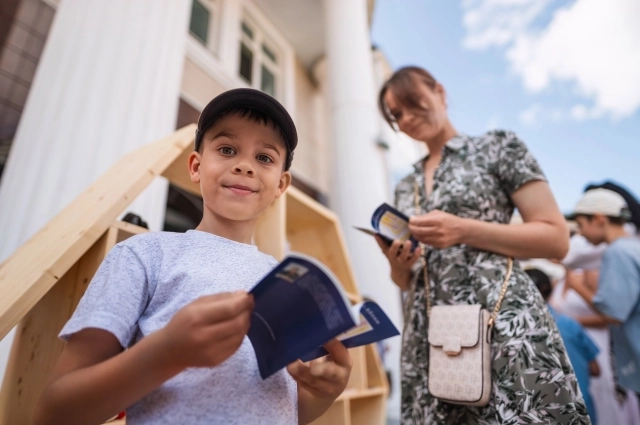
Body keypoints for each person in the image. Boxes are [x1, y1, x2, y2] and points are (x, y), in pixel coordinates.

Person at [34, 89, 352, 425]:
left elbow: (284, 410)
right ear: (196, 166)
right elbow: (54, 412)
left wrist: (320, 396)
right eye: (227, 150)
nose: (245, 166)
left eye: (265, 158)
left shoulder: (288, 281)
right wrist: (165, 354)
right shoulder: (143, 256)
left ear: (281, 185)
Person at [376, 66, 589, 424]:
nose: (408, 118)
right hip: (429, 334)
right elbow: (406, 280)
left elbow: (556, 238)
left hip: (501, 319)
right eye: (397, 115)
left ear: (440, 92)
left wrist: (462, 230)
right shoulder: (405, 184)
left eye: (414, 103)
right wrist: (399, 266)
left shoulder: (498, 147)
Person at [566, 188, 640, 401]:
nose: (581, 232)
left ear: (599, 219)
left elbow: (613, 314)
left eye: (581, 225)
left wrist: (577, 287)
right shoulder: (633, 247)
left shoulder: (617, 252)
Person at [526, 268, 600, 424]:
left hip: (544, 411)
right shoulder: (569, 324)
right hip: (582, 407)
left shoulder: (518, 332)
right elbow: (595, 369)